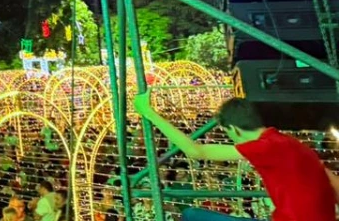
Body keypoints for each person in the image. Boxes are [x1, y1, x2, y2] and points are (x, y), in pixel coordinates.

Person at [135, 93, 339, 221]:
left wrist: (149, 113)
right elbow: (331, 180)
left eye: (228, 134)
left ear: (233, 128)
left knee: (191, 215)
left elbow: (196, 151)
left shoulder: (267, 147)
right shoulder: (292, 144)